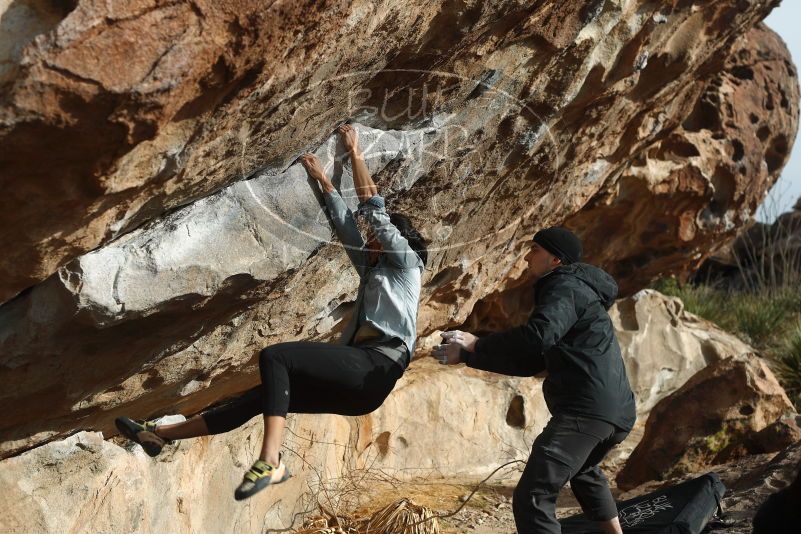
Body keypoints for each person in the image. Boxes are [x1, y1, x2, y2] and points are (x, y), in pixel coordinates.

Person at [115, 123, 427, 500]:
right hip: (364, 386)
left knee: (276, 357)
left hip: (376, 368)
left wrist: (354, 153)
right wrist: (322, 179)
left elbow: (375, 211)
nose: (373, 241)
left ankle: (270, 459)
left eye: (380, 239)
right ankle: (158, 435)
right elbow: (347, 228)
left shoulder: (407, 266)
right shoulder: (373, 271)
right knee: (258, 398)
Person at [433, 227, 635, 534]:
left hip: (586, 411)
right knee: (584, 472)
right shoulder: (579, 293)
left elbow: (538, 336)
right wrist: (468, 356)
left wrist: (476, 342)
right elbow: (532, 361)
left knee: (533, 495)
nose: (528, 256)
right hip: (616, 413)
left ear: (555, 259)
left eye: (535, 250)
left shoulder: (565, 286)